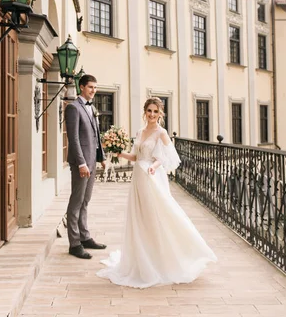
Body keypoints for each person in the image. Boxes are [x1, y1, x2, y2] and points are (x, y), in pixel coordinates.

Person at [96, 97, 217, 288]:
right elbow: (136, 157)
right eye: (149, 111)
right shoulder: (140, 132)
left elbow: (166, 157)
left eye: (155, 111)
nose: (152, 114)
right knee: (139, 217)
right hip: (138, 177)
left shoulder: (161, 133)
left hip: (150, 177)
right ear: (145, 112)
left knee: (156, 216)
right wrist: (119, 152)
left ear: (160, 114)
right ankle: (141, 258)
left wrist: (153, 166)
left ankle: (162, 259)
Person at [65, 74, 107, 259]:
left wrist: (102, 157)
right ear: (81, 87)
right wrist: (82, 163)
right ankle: (74, 244)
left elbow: (96, 136)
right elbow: (73, 139)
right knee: (76, 201)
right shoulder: (74, 108)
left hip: (92, 160)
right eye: (90, 87)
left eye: (95, 88)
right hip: (81, 162)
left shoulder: (92, 108)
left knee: (85, 200)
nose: (93, 91)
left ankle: (84, 236)